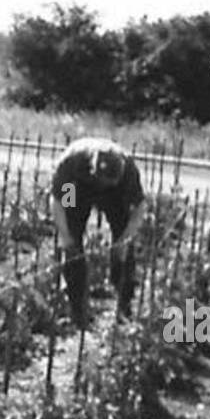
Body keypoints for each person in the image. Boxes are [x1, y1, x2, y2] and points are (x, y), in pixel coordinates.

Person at [49, 136, 147, 326]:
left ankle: (124, 307)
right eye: (102, 181)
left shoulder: (127, 173)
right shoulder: (72, 163)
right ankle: (77, 310)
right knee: (72, 241)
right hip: (77, 190)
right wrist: (66, 237)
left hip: (115, 196)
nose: (103, 186)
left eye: (109, 182)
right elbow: (58, 201)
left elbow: (140, 207)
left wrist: (124, 240)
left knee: (123, 245)